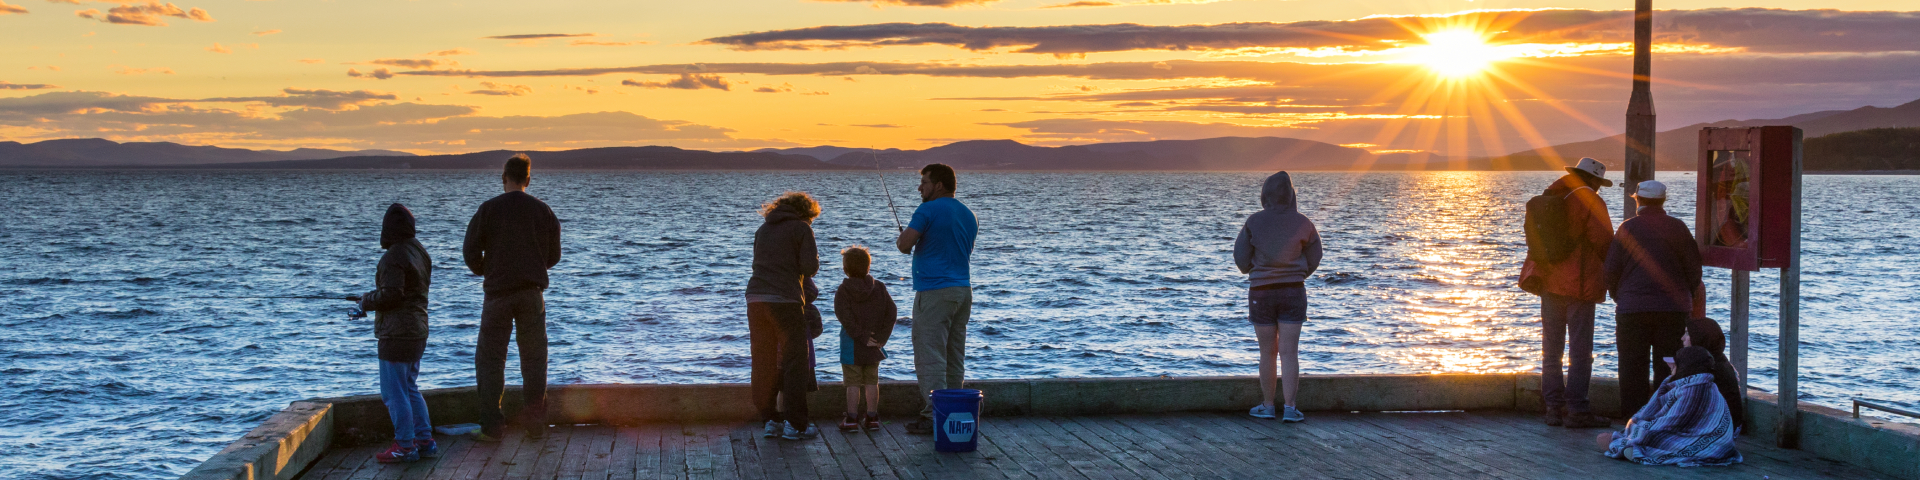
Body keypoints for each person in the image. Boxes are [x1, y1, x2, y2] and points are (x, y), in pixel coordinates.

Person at [463, 154, 563, 441]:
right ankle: (535, 425)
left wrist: (487, 270)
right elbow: (554, 256)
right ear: (528, 180)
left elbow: (469, 251)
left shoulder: (488, 209)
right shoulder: (543, 211)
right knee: (534, 360)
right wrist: (533, 266)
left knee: (491, 360)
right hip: (531, 294)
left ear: (503, 177)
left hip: (497, 295)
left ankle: (492, 427)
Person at [1518, 157, 1616, 429]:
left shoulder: (1552, 195)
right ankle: (1577, 410)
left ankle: (1552, 409)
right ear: (1594, 180)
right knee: (1580, 351)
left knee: (1551, 350)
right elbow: (1604, 242)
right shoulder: (1590, 201)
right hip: (1579, 285)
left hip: (1548, 282)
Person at [1604, 180, 1705, 416]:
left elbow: (1610, 270)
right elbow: (1694, 270)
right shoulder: (1678, 227)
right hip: (1672, 310)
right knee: (1668, 365)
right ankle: (1664, 416)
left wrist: (1621, 297)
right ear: (1663, 201)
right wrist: (1683, 295)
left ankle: (1632, 418)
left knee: (1632, 367)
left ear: (1638, 199)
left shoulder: (1627, 228)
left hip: (1632, 310)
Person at [895, 163, 978, 435]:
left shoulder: (927, 210)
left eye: (924, 182)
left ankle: (933, 416)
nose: (920, 187)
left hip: (934, 292)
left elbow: (904, 244)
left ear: (939, 185)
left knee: (930, 357)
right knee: (954, 356)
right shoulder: (969, 214)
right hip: (962, 291)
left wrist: (904, 238)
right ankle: (954, 413)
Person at [1234, 171, 1323, 423]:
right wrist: (1300, 270)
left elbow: (1240, 260)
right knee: (1289, 352)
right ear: (1292, 195)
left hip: (1261, 292)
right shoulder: (1304, 223)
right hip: (1293, 290)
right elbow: (1315, 256)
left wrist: (1257, 268)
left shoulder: (1254, 222)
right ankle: (1292, 408)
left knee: (1267, 352)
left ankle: (1268, 405)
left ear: (1265, 196)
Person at [351, 204, 436, 463]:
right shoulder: (419, 252)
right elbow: (404, 292)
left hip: (396, 335)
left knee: (393, 392)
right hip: (418, 331)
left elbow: (392, 295)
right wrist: (369, 299)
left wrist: (365, 302)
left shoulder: (393, 256)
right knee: (410, 387)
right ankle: (424, 440)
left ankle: (404, 446)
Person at [746, 192, 822, 440]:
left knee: (763, 361)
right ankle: (796, 424)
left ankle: (770, 419)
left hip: (756, 298)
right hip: (786, 300)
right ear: (807, 213)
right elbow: (810, 267)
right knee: (795, 362)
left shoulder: (763, 229)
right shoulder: (802, 228)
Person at [1597, 346, 1743, 467]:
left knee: (1627, 440)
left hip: (1712, 445)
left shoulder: (1694, 390)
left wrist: (1633, 434)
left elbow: (1671, 423)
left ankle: (1629, 447)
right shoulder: (1701, 385)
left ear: (1686, 366)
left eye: (1675, 363)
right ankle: (1629, 444)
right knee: (1636, 431)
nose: (1671, 366)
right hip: (1718, 444)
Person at [833, 246, 897, 432]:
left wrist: (860, 336)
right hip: (874, 344)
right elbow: (891, 312)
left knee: (852, 382)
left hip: (851, 344)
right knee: (871, 381)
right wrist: (883, 337)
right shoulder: (879, 288)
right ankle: (872, 417)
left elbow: (843, 316)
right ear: (868, 267)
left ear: (845, 269)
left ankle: (852, 419)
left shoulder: (843, 290)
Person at [1684, 317, 1745, 434]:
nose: (1682, 338)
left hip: (1714, 431)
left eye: (1687, 334)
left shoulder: (1704, 368)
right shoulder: (1721, 362)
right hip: (1730, 429)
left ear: (1699, 337)